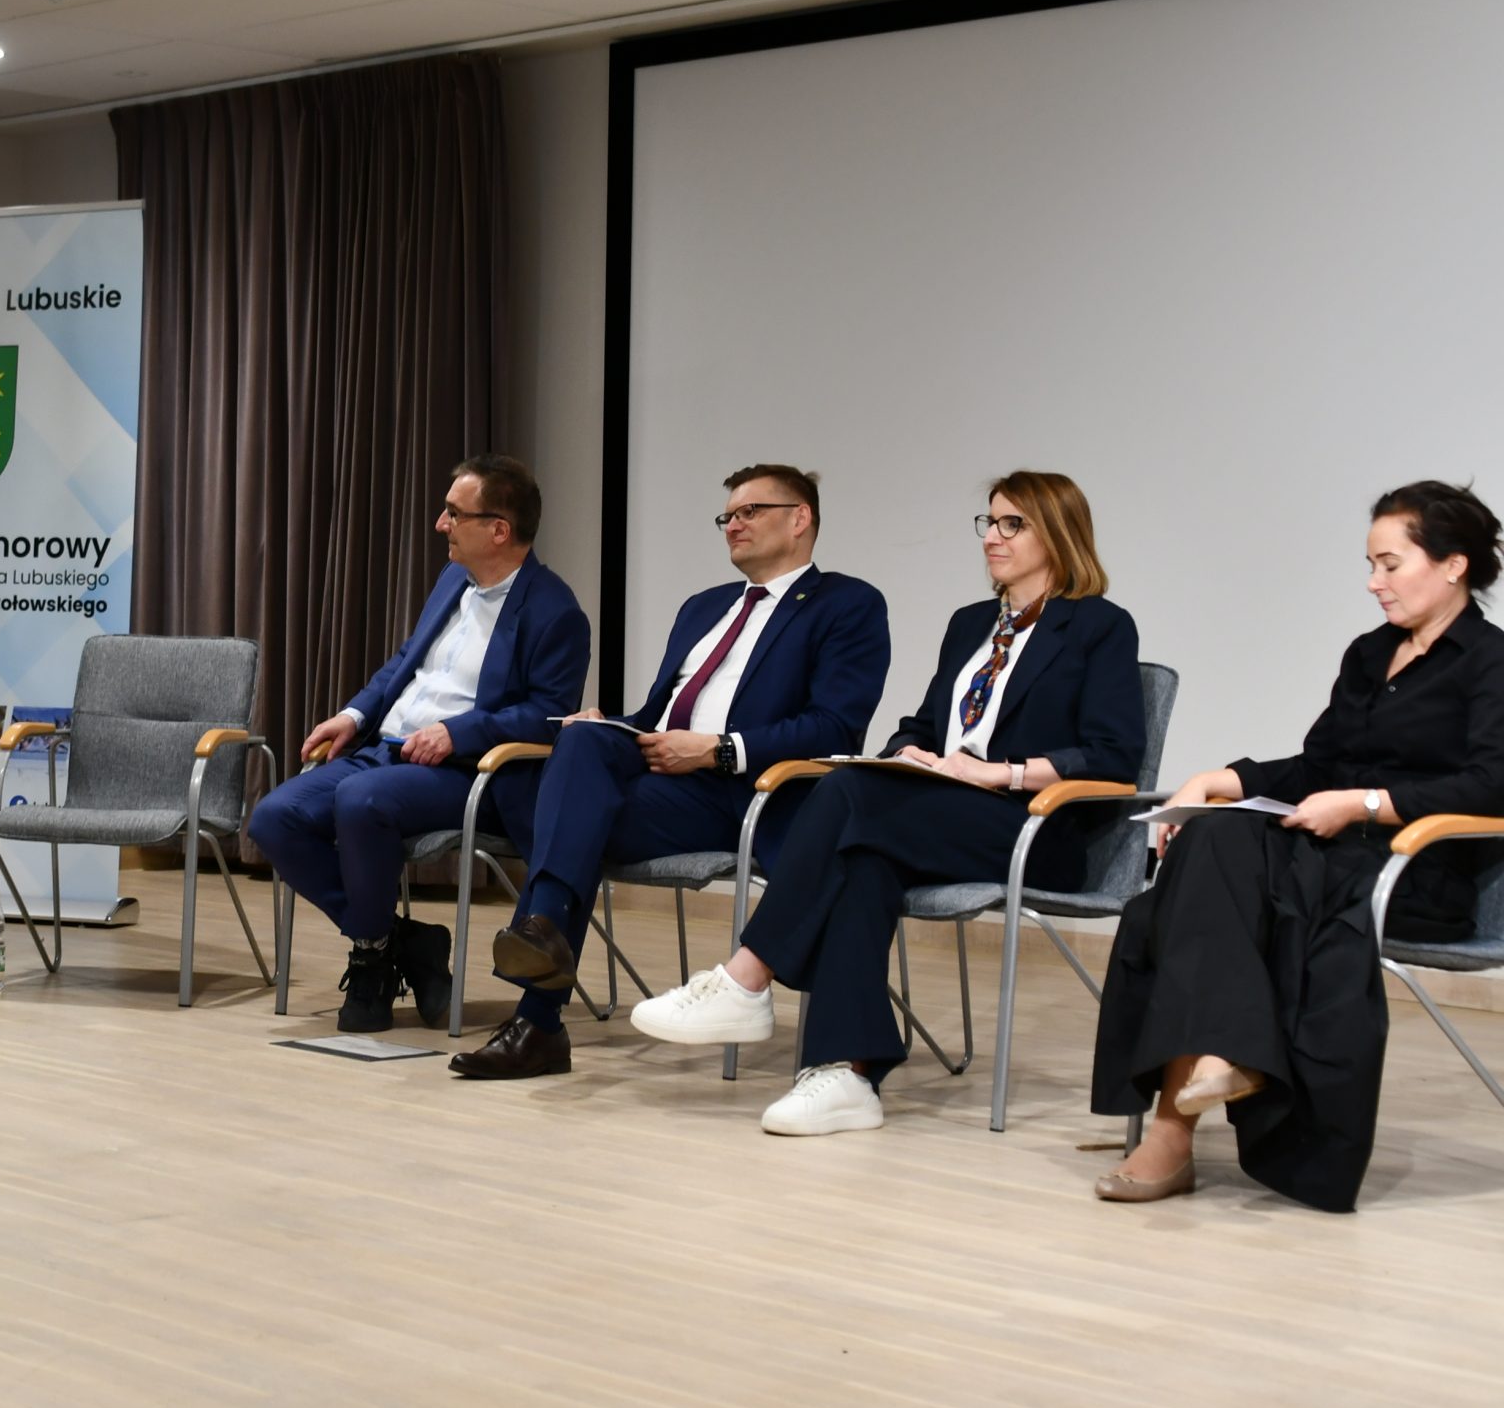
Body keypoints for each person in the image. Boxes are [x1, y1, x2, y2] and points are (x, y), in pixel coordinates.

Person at [633, 471, 1144, 1136]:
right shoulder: (971, 625)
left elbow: (1112, 755)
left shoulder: (1099, 626)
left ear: (1058, 532)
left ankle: (746, 976)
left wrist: (1000, 774)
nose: (992, 537)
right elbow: (920, 725)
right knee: (860, 858)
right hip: (941, 814)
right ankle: (846, 1074)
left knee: (844, 795)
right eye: (989, 522)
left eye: (1012, 524)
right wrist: (910, 754)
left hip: (1032, 829)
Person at [1090, 482, 1504, 1209]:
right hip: (1331, 854)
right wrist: (1222, 778)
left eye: (1390, 564)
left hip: (1414, 867)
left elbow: (1491, 783)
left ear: (1453, 565)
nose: (1373, 582)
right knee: (1212, 834)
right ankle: (1207, 1078)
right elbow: (1319, 765)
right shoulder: (1369, 654)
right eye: (1370, 565)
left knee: (1214, 888)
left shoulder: (1491, 661)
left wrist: (1366, 803)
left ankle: (1179, 1121)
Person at [461, 464, 891, 1078]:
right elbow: (655, 717)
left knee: (572, 828)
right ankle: (543, 936)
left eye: (750, 512)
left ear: (800, 519)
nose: (733, 525)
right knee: (580, 742)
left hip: (748, 794)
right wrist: (609, 723)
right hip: (666, 778)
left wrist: (718, 749)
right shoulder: (704, 607)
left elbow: (834, 727)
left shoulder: (846, 604)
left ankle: (538, 1015)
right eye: (727, 516)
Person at [247, 456, 589, 1033]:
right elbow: (406, 662)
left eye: (455, 513)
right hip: (384, 750)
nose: (440, 523)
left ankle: (371, 961)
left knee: (362, 801)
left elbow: (547, 716)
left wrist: (459, 731)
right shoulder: (453, 580)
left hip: (468, 772)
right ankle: (398, 942)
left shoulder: (556, 612)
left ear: (499, 529)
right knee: (274, 818)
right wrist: (354, 714)